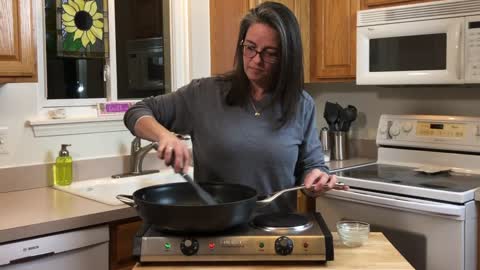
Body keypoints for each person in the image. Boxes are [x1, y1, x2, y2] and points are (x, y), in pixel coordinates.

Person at [124, 1, 338, 212]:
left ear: (287, 57)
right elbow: (137, 112)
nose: (256, 60)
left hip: (275, 232)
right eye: (250, 48)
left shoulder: (301, 104)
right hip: (215, 230)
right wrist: (164, 136)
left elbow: (311, 167)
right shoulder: (204, 94)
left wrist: (316, 180)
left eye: (270, 53)